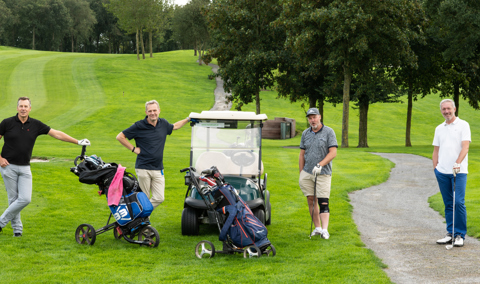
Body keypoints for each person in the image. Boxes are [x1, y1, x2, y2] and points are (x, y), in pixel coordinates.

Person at [0, 97, 90, 237]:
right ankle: (17, 231)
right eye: (21, 106)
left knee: (25, 199)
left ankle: (0, 223)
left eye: (26, 106)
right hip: (8, 167)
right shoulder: (7, 123)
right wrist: (0, 158)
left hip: (25, 168)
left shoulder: (35, 124)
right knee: (13, 200)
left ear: (30, 108)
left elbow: (57, 134)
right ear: (17, 108)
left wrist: (78, 141)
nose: (23, 108)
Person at [116, 100, 190, 211]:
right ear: (146, 112)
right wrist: (133, 149)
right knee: (144, 198)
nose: (152, 113)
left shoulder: (163, 124)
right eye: (150, 111)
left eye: (154, 110)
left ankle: (139, 213)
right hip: (143, 168)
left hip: (158, 168)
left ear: (159, 111)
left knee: (159, 198)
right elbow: (120, 136)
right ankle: (144, 224)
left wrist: (188, 119)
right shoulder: (139, 125)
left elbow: (175, 126)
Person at [433, 99, 471, 247]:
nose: (446, 111)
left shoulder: (463, 125)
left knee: (458, 202)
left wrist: (457, 163)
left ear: (454, 109)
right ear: (441, 111)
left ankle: (460, 234)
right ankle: (450, 234)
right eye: (444, 109)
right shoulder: (439, 128)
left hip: (459, 171)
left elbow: (465, 147)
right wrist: (435, 169)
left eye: (449, 108)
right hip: (442, 172)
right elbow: (436, 150)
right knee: (448, 203)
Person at [299, 108, 338, 239]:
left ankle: (325, 230)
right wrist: (301, 172)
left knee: (323, 201)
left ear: (320, 117)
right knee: (311, 200)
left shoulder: (329, 132)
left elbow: (333, 152)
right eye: (310, 118)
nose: (312, 120)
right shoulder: (305, 133)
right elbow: (302, 154)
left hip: (323, 172)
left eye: (314, 117)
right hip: (307, 172)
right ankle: (317, 228)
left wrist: (320, 164)